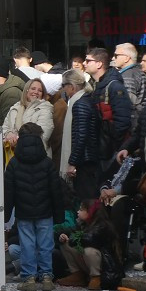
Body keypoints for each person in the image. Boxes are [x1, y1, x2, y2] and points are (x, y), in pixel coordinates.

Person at [4, 123, 66, 291]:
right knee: (46, 243)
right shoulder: (47, 163)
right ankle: (46, 276)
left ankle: (28, 277)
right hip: (45, 211)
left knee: (27, 244)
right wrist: (59, 214)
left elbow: (8, 192)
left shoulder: (14, 163)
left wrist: (5, 215)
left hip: (23, 212)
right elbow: (56, 190)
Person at [84, 47, 133, 174]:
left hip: (111, 150)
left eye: (88, 60)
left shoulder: (113, 86)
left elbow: (123, 120)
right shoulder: (97, 84)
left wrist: (113, 144)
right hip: (103, 148)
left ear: (99, 64)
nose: (84, 63)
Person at [57, 199, 124, 291]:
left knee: (88, 250)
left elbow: (89, 239)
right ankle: (78, 274)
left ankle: (96, 277)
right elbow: (70, 232)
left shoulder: (103, 226)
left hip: (105, 269)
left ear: (90, 212)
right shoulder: (83, 223)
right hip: (87, 263)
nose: (78, 211)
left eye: (81, 210)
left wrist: (72, 238)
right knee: (65, 243)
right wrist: (63, 236)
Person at [60, 69, 99, 202]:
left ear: (71, 86)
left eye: (63, 85)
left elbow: (81, 136)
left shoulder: (80, 104)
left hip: (84, 162)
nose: (63, 89)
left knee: (86, 199)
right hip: (88, 158)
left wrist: (72, 162)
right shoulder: (86, 100)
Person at [2, 78, 54, 152]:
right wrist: (8, 134)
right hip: (13, 155)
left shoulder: (46, 109)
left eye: (40, 90)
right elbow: (5, 127)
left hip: (35, 155)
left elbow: (43, 135)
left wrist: (16, 139)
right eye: (33, 89)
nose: (36, 92)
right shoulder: (15, 107)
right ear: (26, 90)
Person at [113, 43, 146, 111]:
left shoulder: (128, 75)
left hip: (131, 117)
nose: (113, 58)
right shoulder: (139, 72)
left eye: (116, 55)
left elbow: (126, 100)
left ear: (126, 58)